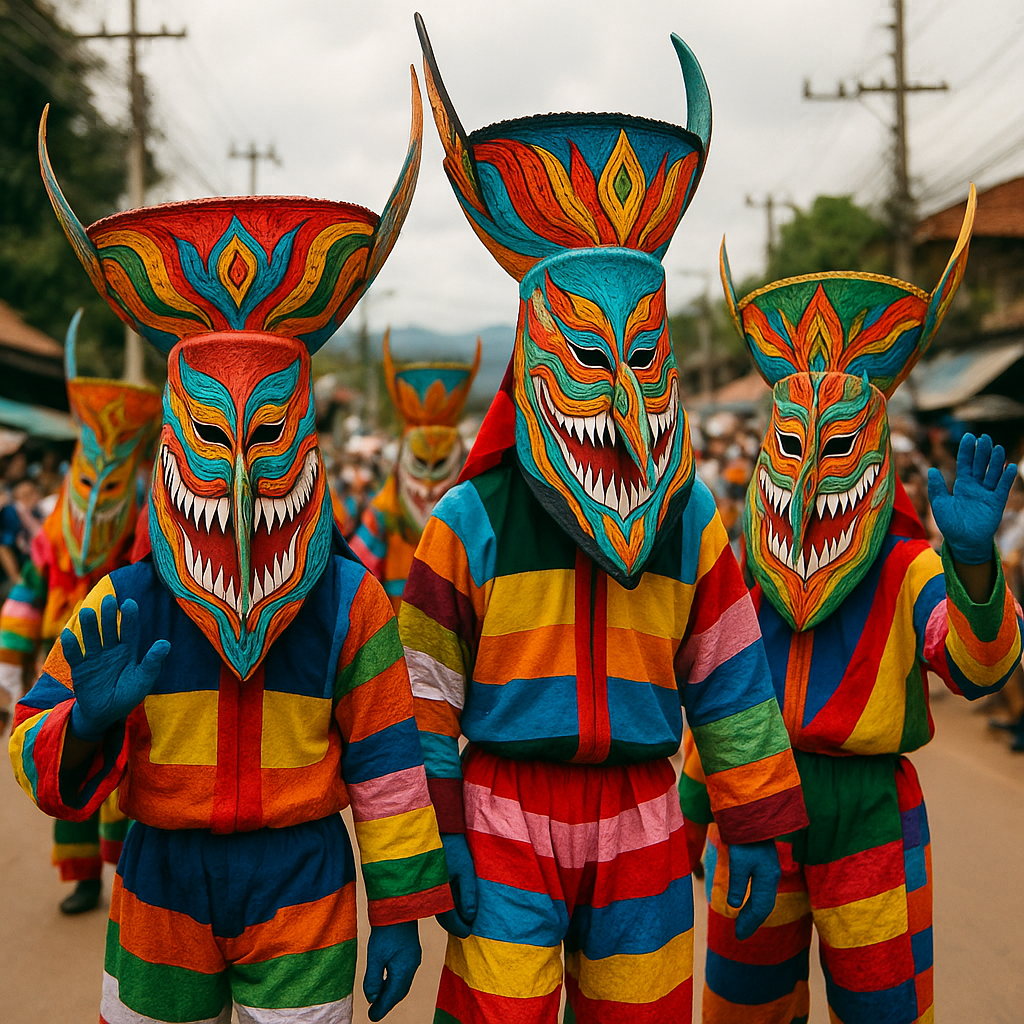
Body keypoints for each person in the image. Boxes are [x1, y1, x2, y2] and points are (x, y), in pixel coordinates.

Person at [11, 85, 451, 1023]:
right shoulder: (122, 601)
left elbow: (386, 763)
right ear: (173, 443)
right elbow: (30, 750)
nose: (243, 482)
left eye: (269, 437)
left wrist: (403, 911)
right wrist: (82, 727)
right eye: (213, 439)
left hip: (306, 880)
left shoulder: (351, 603)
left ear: (307, 441)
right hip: (158, 877)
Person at [399, 19, 808, 1023]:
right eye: (589, 361)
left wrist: (753, 816)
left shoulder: (691, 518)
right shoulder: (468, 518)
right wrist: (437, 833)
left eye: (641, 357)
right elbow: (425, 692)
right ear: (536, 355)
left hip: (643, 809)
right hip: (501, 814)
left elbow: (728, 676)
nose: (624, 399)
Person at [680, 189, 1023, 1024]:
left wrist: (975, 568)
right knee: (743, 1011)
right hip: (754, 805)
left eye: (833, 450)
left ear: (872, 452)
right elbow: (723, 696)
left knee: (884, 1013)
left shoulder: (912, 567)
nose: (806, 482)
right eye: (792, 447)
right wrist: (692, 808)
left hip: (871, 814)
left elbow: (979, 666)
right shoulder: (744, 567)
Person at [0, 313, 162, 913]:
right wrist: (10, 669)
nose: (96, 504)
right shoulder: (49, 540)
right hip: (61, 667)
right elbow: (24, 599)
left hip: (124, 669)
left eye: (111, 487)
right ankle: (83, 878)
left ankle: (124, 878)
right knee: (63, 754)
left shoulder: (140, 546)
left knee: (120, 780)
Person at [350, 332, 479, 609]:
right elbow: (356, 577)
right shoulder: (382, 514)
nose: (428, 484)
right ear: (400, 461)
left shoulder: (475, 518)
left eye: (440, 464)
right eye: (420, 464)